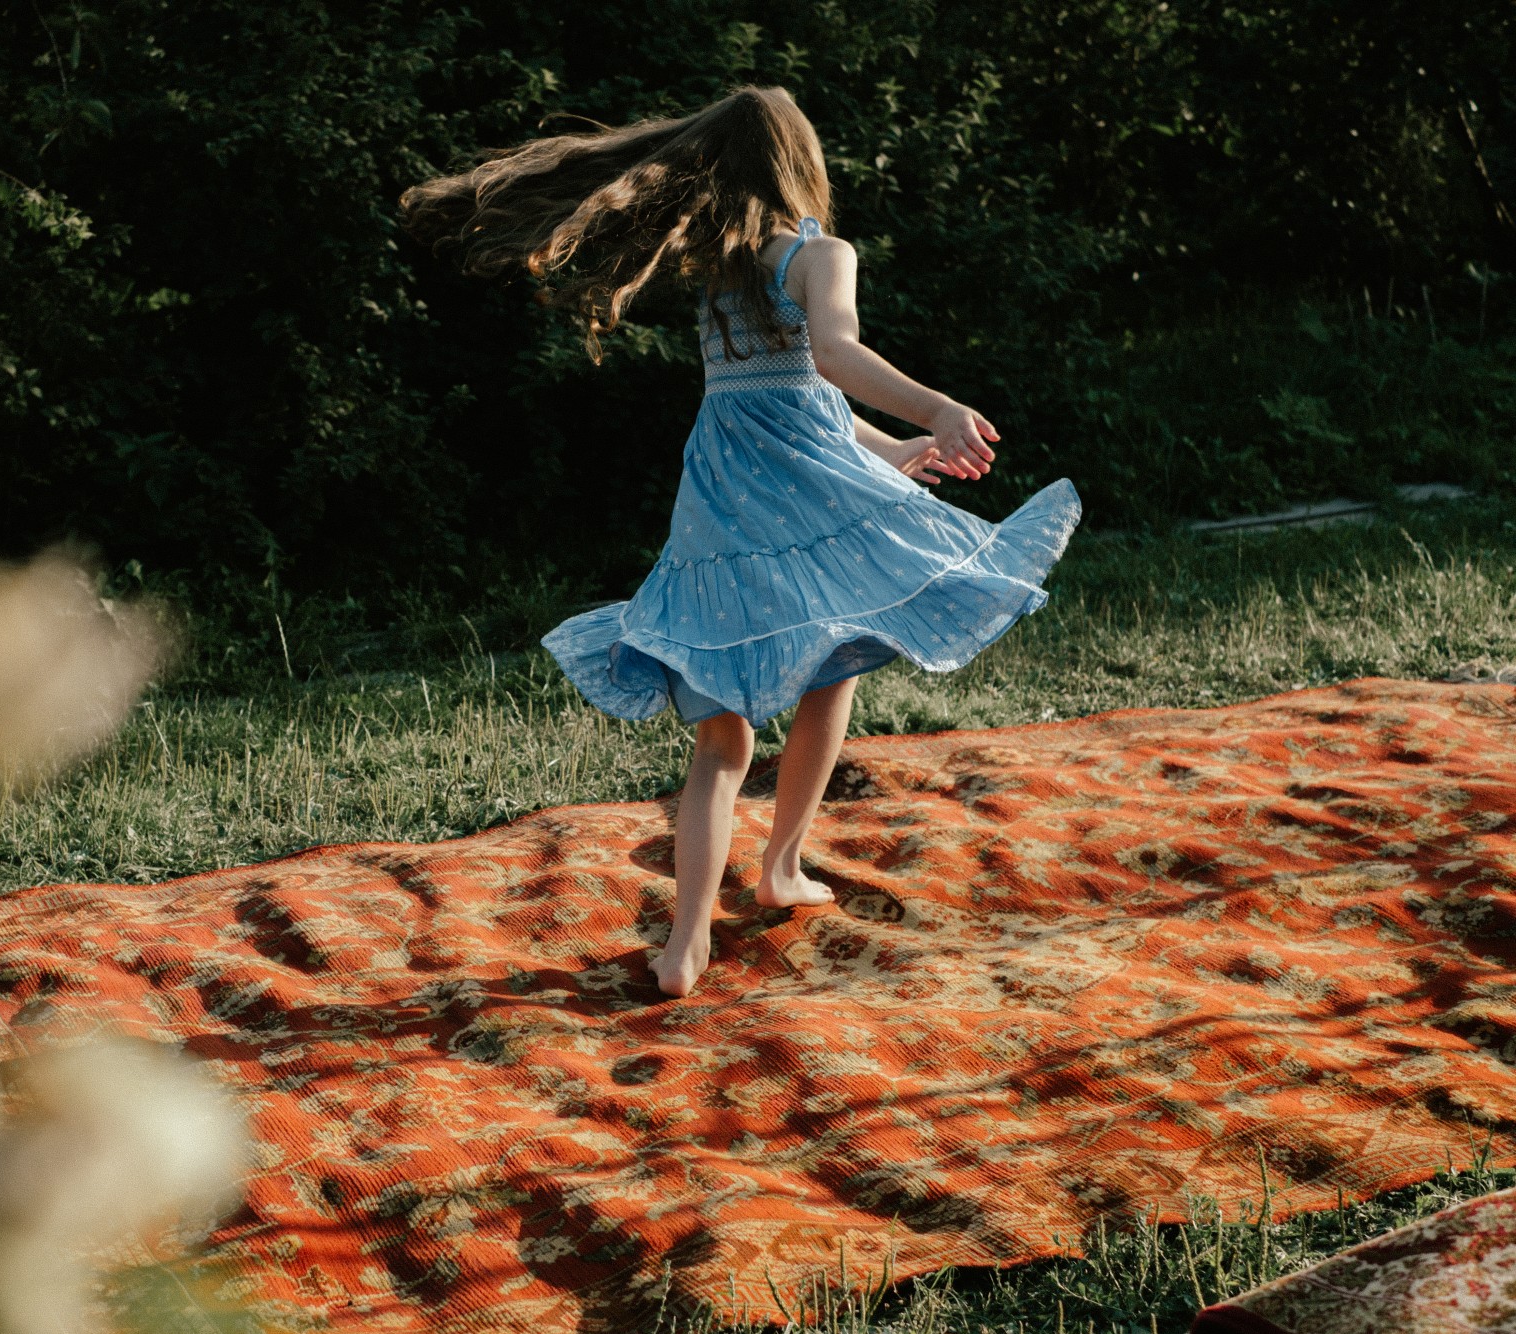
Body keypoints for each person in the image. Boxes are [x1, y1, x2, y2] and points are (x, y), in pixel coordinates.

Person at [401, 87, 1079, 996]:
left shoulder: (722, 274)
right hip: (795, 514)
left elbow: (794, 393)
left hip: (721, 511)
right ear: (802, 161)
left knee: (723, 740)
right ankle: (779, 866)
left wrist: (892, 448)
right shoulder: (822, 254)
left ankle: (685, 944)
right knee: (833, 668)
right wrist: (938, 408)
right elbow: (833, 356)